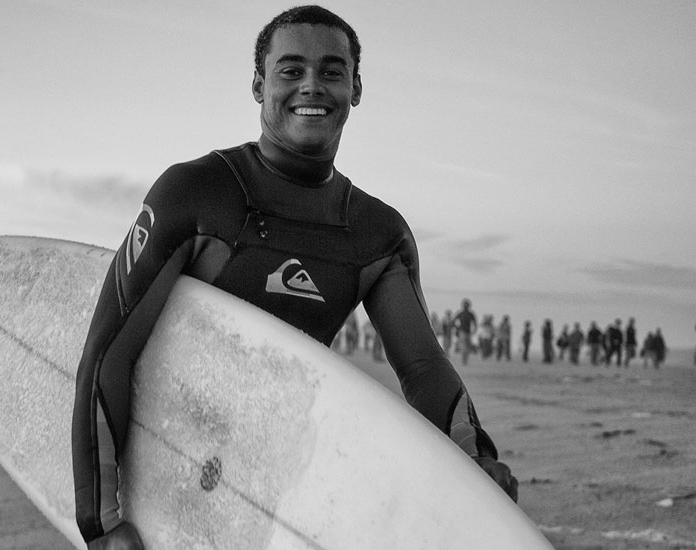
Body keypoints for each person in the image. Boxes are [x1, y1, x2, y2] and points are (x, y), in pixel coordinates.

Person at [71, 7, 517, 548]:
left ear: (355, 88)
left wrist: (478, 461)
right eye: (290, 70)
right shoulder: (196, 193)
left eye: (332, 71)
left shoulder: (376, 233)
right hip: (167, 468)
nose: (312, 85)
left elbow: (423, 366)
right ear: (259, 85)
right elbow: (109, 351)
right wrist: (100, 522)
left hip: (285, 486)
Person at [453, 298, 478, 366]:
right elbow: (453, 321)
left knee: (467, 347)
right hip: (463, 332)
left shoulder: (469, 314)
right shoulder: (462, 314)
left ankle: (465, 360)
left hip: (467, 332)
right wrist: (457, 328)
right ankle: (464, 361)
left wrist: (475, 330)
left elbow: (475, 322)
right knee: (465, 347)